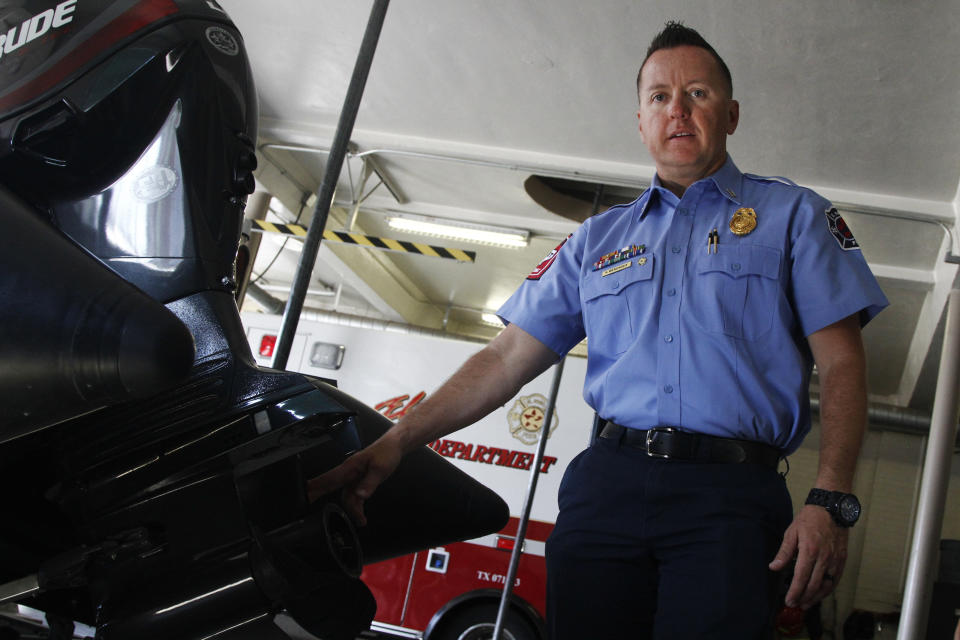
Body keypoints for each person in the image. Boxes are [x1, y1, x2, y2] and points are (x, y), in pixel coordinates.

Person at [309, 21, 888, 639]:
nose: (678, 110)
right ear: (640, 121)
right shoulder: (597, 239)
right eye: (660, 97)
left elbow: (845, 366)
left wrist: (830, 501)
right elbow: (506, 359)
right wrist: (396, 442)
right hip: (607, 489)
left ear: (732, 113)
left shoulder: (793, 216)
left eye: (698, 93)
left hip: (732, 499)